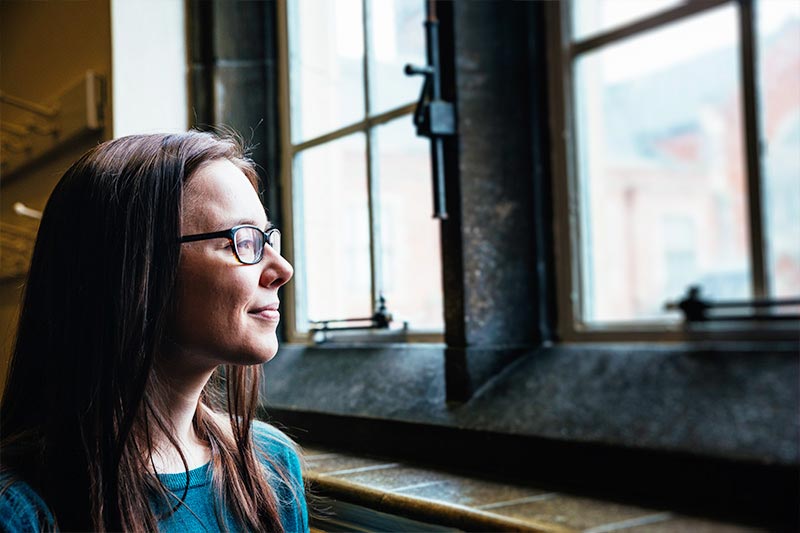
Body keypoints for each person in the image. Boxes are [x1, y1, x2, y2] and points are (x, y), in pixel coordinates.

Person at [0, 131, 308, 532]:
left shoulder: (271, 465)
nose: (283, 269)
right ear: (134, 269)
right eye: (243, 240)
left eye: (268, 237)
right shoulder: (19, 510)